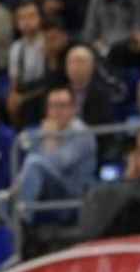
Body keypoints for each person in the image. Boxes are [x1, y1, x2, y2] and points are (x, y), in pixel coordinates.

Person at [18, 86, 96, 222]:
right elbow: (26, 166)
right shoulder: (41, 131)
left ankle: (22, 222)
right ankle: (14, 233)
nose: (57, 111)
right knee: (0, 199)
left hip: (72, 196)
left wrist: (50, 138)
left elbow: (59, 163)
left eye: (62, 106)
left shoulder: (83, 135)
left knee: (34, 162)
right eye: (53, 106)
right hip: (43, 193)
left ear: (74, 109)